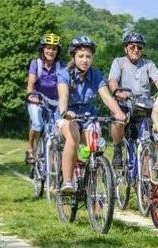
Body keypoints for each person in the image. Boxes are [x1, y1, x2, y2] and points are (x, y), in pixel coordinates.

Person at [57, 35, 126, 193]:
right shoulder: (64, 74)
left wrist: (118, 113)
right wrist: (65, 111)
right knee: (73, 135)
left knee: (95, 145)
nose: (85, 60)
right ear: (73, 57)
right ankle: (67, 182)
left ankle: (92, 191)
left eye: (88, 56)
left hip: (88, 118)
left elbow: (107, 97)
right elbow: (63, 95)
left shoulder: (96, 75)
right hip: (68, 117)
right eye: (81, 56)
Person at [108, 31, 158, 167]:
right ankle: (117, 149)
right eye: (132, 47)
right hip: (125, 103)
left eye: (139, 47)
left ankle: (145, 178)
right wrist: (118, 92)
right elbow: (112, 81)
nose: (136, 50)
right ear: (125, 48)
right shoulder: (119, 62)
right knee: (118, 120)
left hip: (144, 106)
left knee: (148, 139)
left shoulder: (148, 64)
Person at [25, 33, 65, 167]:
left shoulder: (61, 65)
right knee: (37, 124)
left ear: (57, 51)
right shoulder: (35, 63)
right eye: (48, 48)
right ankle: (30, 148)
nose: (51, 51)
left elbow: (66, 84)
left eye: (54, 49)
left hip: (56, 102)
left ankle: (55, 162)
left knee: (58, 131)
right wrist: (31, 96)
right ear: (43, 49)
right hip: (37, 100)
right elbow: (31, 83)